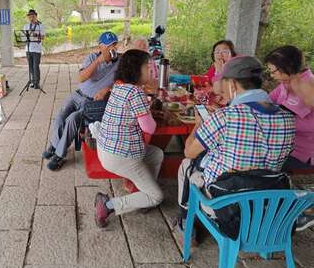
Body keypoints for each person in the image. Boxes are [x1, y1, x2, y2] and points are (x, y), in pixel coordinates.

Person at [175, 56, 296, 244]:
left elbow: (189, 151)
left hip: (226, 203)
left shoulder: (225, 117)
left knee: (186, 164)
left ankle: (186, 224)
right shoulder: (288, 118)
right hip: (268, 203)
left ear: (232, 84)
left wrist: (199, 125)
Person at [94, 49, 164, 228]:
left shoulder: (119, 86)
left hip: (106, 149)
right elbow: (149, 127)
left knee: (156, 154)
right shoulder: (135, 92)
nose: (151, 70)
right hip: (122, 156)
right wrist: (148, 113)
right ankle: (108, 205)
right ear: (136, 69)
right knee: (157, 196)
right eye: (147, 66)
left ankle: (141, 196)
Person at [42, 31, 120, 171]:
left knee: (72, 119)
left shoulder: (119, 62)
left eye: (114, 45)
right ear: (100, 47)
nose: (111, 49)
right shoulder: (92, 57)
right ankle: (55, 144)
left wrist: (108, 88)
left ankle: (59, 155)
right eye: (108, 46)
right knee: (60, 115)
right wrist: (98, 61)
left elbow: (123, 81)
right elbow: (81, 78)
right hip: (78, 94)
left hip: (92, 102)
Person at [265, 46, 314, 231]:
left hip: (302, 151)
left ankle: (300, 207)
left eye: (274, 71)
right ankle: (283, 205)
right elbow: (268, 101)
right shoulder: (287, 83)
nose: (271, 75)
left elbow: (300, 123)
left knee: (264, 164)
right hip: (284, 144)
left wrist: (276, 118)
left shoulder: (307, 85)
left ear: (287, 66)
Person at [23, 9, 45, 89]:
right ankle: (32, 81)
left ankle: (37, 83)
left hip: (37, 49)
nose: (31, 18)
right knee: (30, 66)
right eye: (29, 16)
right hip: (28, 49)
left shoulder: (40, 25)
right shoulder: (26, 26)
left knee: (36, 66)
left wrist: (35, 34)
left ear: (36, 16)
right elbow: (23, 37)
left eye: (33, 16)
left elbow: (43, 37)